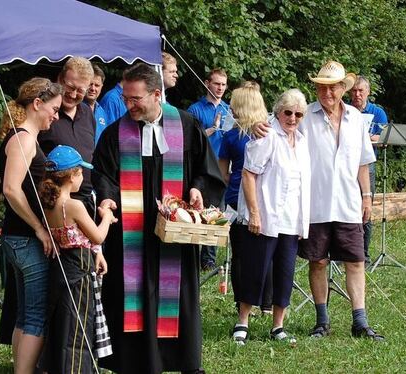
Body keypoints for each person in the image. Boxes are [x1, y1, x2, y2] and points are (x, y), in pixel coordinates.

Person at [92, 62, 224, 374]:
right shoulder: (115, 133)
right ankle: (135, 361)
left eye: (135, 99)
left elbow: (207, 172)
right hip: (130, 233)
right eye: (125, 98)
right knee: (131, 293)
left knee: (175, 296)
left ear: (156, 94)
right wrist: (108, 198)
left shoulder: (186, 126)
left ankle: (181, 360)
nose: (128, 105)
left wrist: (196, 190)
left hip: (175, 234)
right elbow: (103, 175)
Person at [253, 60, 383, 340]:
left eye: (333, 87)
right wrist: (257, 127)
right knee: (318, 262)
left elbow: (363, 162)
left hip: (348, 201)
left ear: (342, 89)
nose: (327, 92)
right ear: (316, 88)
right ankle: (322, 321)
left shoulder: (357, 120)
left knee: (356, 261)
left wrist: (367, 197)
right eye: (322, 87)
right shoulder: (304, 116)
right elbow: (277, 126)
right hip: (314, 204)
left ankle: (360, 321)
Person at [231, 88, 311, 345]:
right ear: (278, 111)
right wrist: (254, 212)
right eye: (288, 112)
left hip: (291, 219)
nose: (293, 118)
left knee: (285, 273)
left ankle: (278, 325)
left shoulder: (301, 140)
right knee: (255, 269)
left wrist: (303, 220)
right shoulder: (266, 135)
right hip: (265, 217)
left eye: (298, 114)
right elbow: (248, 174)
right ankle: (243, 320)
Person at [0, 77, 64, 374]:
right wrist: (39, 227)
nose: (56, 115)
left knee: (25, 316)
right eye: (54, 108)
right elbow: (11, 189)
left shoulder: (22, 136)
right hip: (25, 238)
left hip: (17, 238)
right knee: (35, 317)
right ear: (37, 104)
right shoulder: (23, 138)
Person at [39, 145, 117, 374]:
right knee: (79, 328)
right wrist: (107, 216)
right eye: (81, 172)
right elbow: (98, 235)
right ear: (71, 176)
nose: (83, 176)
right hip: (79, 274)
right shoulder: (73, 205)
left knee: (64, 325)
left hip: (61, 269)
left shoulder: (49, 203)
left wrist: (98, 253)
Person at [218, 81, 272, 315]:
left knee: (240, 254)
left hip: (236, 197)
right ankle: (267, 303)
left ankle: (242, 302)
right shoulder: (272, 134)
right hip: (265, 197)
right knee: (267, 253)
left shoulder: (231, 137)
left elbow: (222, 173)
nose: (230, 109)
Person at [39, 57, 97, 216]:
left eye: (80, 90)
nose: (73, 94)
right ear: (59, 79)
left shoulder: (87, 113)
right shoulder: (47, 113)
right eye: (70, 87)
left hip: (86, 202)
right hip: (56, 206)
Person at [188, 68, 230, 270]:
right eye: (216, 84)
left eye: (223, 84)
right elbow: (189, 140)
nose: (220, 88)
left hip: (221, 169)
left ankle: (209, 259)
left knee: (216, 214)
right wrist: (211, 130)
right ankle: (192, 256)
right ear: (207, 84)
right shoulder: (195, 109)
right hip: (202, 169)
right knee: (198, 212)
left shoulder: (228, 110)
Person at [350, 76, 388, 263]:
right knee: (347, 208)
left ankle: (363, 254)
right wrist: (368, 137)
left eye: (361, 91)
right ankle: (345, 253)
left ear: (368, 92)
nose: (357, 94)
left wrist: (366, 138)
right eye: (354, 91)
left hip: (367, 166)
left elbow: (381, 138)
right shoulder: (345, 110)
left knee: (365, 209)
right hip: (346, 165)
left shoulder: (377, 113)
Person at [84, 64, 109, 144]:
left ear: (102, 87)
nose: (93, 88)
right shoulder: (74, 109)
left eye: (97, 85)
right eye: (90, 84)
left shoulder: (102, 112)